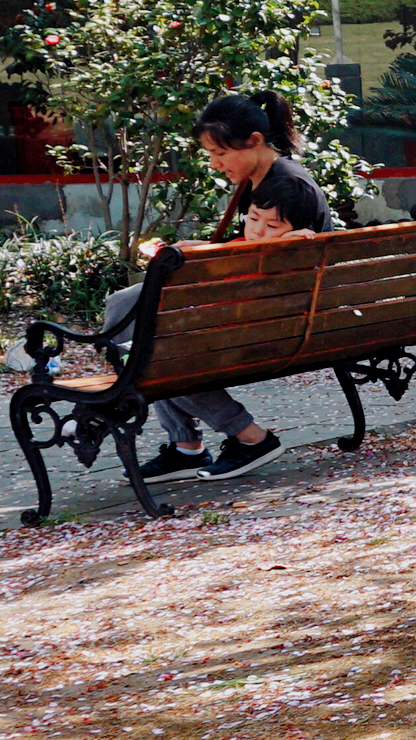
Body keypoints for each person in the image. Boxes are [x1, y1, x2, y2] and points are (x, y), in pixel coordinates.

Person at [107, 88, 336, 485]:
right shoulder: (267, 177)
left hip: (276, 318)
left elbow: (275, 264)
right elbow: (254, 254)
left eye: (220, 153)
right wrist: (200, 250)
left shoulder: (286, 187)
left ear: (255, 142)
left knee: (152, 353)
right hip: (268, 307)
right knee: (123, 308)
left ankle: (249, 437)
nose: (215, 164)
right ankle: (185, 446)